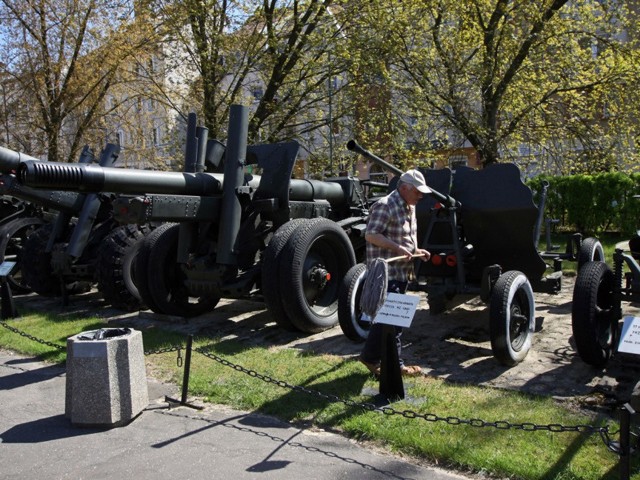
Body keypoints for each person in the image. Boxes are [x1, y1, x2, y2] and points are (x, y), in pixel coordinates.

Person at [359, 168, 431, 377]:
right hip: (386, 275)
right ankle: (395, 366)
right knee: (393, 322)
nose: (420, 195)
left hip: (401, 273)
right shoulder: (385, 205)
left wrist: (417, 251)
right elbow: (371, 235)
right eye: (417, 191)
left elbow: (405, 238)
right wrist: (398, 249)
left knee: (388, 321)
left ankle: (371, 358)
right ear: (404, 188)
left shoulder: (409, 206)